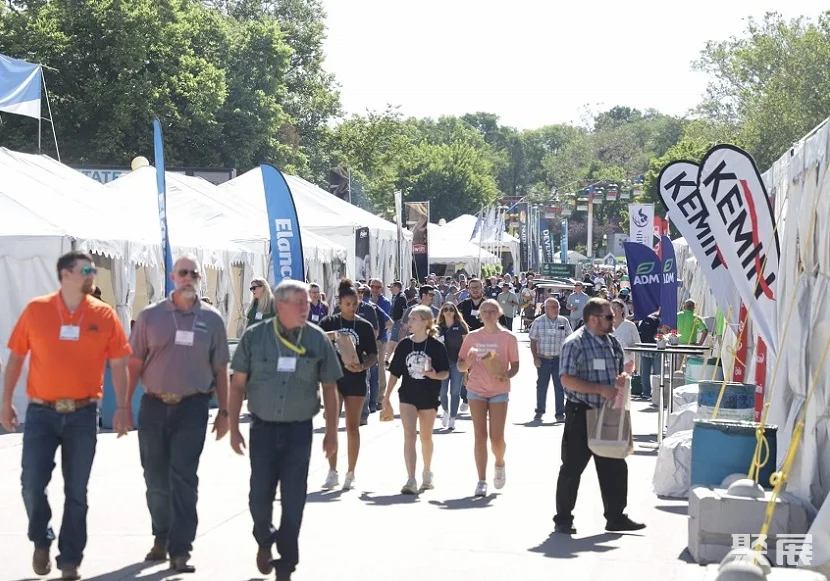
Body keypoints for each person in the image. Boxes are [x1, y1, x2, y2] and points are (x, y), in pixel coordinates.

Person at [1, 251, 131, 581]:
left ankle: (70, 560)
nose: (92, 274)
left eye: (93, 270)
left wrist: (123, 406)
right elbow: (15, 359)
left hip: (83, 414)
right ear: (65, 275)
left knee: (76, 491)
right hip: (41, 413)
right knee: (31, 484)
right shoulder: (37, 310)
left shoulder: (103, 314)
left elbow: (119, 363)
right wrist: (6, 402)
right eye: (85, 270)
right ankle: (41, 539)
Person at [228, 279, 341, 580]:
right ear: (280, 305)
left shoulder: (317, 339)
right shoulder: (255, 337)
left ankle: (287, 562)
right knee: (259, 496)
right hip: (262, 430)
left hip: (298, 432)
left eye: (307, 302)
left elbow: (330, 387)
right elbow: (237, 384)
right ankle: (265, 539)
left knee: (293, 498)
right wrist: (233, 425)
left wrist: (332, 432)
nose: (307, 307)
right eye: (300, 303)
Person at [126, 255, 231, 573]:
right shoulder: (150, 316)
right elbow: (134, 362)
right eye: (182, 272)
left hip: (192, 407)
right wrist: (123, 405)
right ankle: (161, 536)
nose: (188, 277)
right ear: (172, 277)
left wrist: (225, 412)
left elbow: (220, 368)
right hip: (154, 406)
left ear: (199, 278)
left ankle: (181, 548)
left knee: (183, 477)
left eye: (193, 273)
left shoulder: (212, 319)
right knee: (155, 479)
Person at [553, 298, 645, 535]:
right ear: (593, 319)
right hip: (581, 412)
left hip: (608, 413)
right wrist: (600, 389)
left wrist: (621, 379)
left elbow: (618, 370)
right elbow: (566, 379)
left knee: (615, 466)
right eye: (609, 316)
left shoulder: (612, 342)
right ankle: (563, 519)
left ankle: (616, 517)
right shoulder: (575, 343)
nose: (614, 320)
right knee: (572, 468)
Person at [318, 279, 378, 490]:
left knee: (352, 426)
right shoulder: (328, 322)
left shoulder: (364, 326)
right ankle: (332, 471)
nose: (351, 308)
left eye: (354, 304)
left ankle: (351, 473)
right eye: (347, 304)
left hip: (355, 378)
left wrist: (363, 366)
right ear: (339, 303)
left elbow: (373, 354)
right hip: (332, 379)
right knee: (331, 425)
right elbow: (316, 345)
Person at [383, 306, 450, 493]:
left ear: (425, 322)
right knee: (409, 435)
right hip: (407, 395)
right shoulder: (405, 345)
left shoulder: (436, 346)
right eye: (409, 318)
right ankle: (411, 479)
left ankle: (427, 472)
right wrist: (386, 396)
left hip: (429, 395)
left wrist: (434, 375)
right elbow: (395, 373)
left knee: (426, 437)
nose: (409, 322)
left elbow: (445, 373)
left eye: (413, 319)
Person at [457, 299, 520, 497]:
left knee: (496, 437)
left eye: (492, 311)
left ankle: (499, 463)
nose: (488, 314)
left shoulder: (508, 337)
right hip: (476, 389)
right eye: (484, 311)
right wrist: (467, 363)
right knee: (479, 435)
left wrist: (506, 375)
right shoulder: (472, 337)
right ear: (480, 315)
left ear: (499, 313)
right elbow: (460, 365)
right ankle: (481, 480)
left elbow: (515, 365)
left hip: (499, 390)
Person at [529, 298, 573, 423]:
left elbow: (570, 338)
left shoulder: (563, 321)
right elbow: (533, 340)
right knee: (542, 386)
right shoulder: (538, 322)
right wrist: (535, 357)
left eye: (557, 307)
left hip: (559, 360)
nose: (556, 309)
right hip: (543, 359)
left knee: (560, 387)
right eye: (553, 307)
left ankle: (560, 413)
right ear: (546, 308)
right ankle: (539, 411)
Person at [437, 302, 469, 429]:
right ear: (442, 312)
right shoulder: (438, 327)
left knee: (455, 392)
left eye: (451, 309)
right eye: (445, 309)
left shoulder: (460, 326)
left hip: (457, 363)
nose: (448, 311)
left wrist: (466, 363)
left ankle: (452, 419)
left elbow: (467, 344)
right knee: (442, 392)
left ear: (455, 311)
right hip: (442, 364)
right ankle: (445, 411)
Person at [457, 278, 486, 412]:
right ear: (468, 289)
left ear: (482, 288)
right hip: (467, 344)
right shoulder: (462, 306)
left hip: (485, 345)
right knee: (466, 372)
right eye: (472, 287)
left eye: (477, 287)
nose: (475, 290)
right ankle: (465, 398)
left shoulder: (488, 305)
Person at [637, 310, 662, 399]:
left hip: (645, 348)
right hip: (657, 350)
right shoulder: (661, 322)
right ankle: (657, 393)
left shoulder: (646, 319)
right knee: (657, 373)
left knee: (645, 372)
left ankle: (646, 392)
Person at [612, 299, 640, 376]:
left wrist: (637, 368)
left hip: (627, 363)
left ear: (622, 310)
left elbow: (638, 345)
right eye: (611, 308)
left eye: (616, 307)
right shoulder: (605, 325)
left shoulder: (630, 326)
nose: (613, 310)